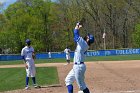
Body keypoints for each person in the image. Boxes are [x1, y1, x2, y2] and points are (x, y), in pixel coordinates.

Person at [65, 22, 94, 93]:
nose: (86, 36)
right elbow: (75, 37)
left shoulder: (83, 43)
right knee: (68, 80)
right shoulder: (83, 43)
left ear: (88, 39)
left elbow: (76, 34)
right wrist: (78, 27)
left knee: (82, 86)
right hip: (77, 66)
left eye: (87, 36)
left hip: (79, 67)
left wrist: (77, 26)